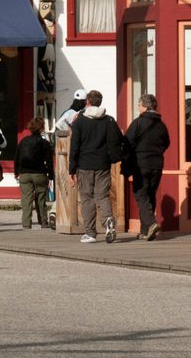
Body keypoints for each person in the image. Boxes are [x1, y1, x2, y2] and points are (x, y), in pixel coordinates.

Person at [70, 90, 125, 244]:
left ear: (87, 101)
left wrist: (71, 169)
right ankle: (108, 221)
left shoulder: (80, 121)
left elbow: (74, 146)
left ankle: (90, 233)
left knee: (87, 198)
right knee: (102, 196)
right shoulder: (108, 120)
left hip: (85, 164)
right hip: (103, 164)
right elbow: (119, 139)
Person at [124, 93, 171, 241]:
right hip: (157, 164)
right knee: (150, 194)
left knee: (140, 195)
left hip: (141, 163)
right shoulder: (161, 124)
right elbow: (167, 143)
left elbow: (127, 143)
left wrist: (126, 163)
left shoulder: (138, 123)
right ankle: (145, 231)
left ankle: (150, 224)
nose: (138, 107)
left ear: (144, 106)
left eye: (139, 105)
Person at [53, 91, 86, 235]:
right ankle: (65, 214)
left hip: (62, 153)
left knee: (63, 184)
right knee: (73, 185)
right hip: (73, 154)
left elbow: (56, 129)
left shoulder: (66, 112)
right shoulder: (78, 114)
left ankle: (55, 211)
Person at [14, 118, 53, 230]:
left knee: (26, 198)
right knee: (41, 198)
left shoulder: (23, 141)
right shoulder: (44, 143)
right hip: (39, 173)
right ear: (41, 128)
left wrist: (16, 172)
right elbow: (49, 162)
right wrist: (51, 176)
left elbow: (17, 157)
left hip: (25, 173)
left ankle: (26, 223)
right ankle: (43, 221)